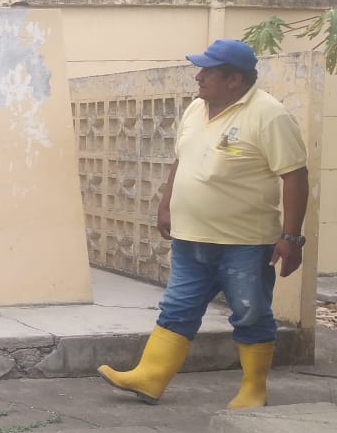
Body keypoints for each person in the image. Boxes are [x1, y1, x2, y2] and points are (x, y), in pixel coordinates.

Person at [97, 39, 308, 409]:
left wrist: (290, 237)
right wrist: (166, 204)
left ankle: (253, 389)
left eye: (208, 71)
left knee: (250, 312)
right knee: (177, 307)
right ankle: (150, 377)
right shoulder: (196, 108)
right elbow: (182, 160)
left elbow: (295, 175)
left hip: (245, 242)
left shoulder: (269, 115)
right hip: (190, 237)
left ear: (234, 80)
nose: (198, 77)